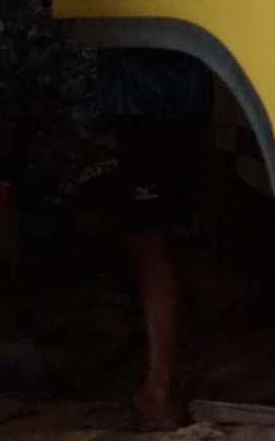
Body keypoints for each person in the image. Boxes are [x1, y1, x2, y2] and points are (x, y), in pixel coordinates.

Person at [75, 47, 212, 430]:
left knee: (148, 240)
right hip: (154, 104)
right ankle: (214, 289)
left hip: (153, 107)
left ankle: (160, 394)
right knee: (125, 227)